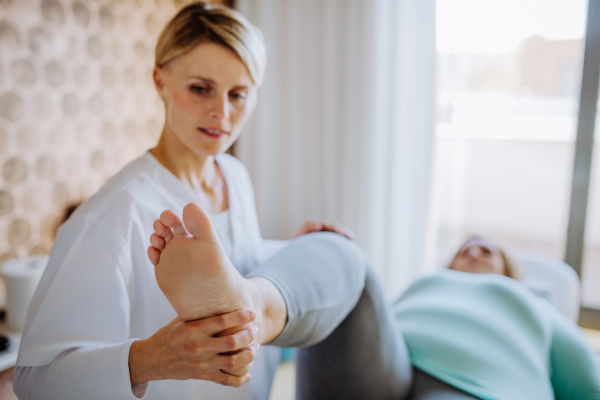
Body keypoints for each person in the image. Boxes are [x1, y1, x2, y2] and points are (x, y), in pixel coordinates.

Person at [13, 3, 411, 400]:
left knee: (340, 257)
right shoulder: (110, 217)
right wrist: (153, 358)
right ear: (160, 81)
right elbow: (34, 382)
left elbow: (233, 266)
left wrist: (296, 252)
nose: (221, 113)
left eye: (238, 94)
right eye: (200, 88)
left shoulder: (233, 176)